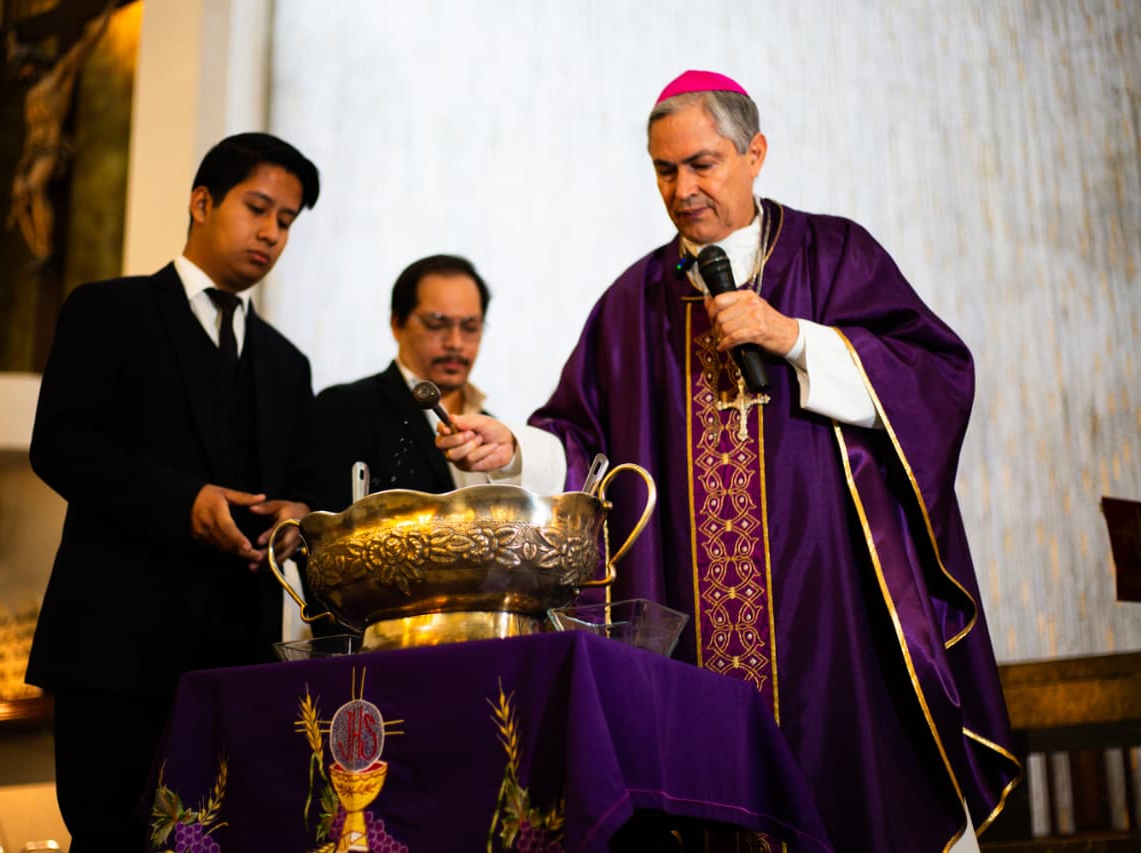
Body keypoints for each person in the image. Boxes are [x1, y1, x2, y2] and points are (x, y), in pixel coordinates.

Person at [436, 71, 1020, 851]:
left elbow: (936, 378)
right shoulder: (631, 303)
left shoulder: (833, 255)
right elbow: (583, 445)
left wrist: (794, 338)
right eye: (663, 170)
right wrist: (516, 450)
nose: (682, 190)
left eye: (701, 164)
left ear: (755, 154)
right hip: (690, 628)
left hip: (832, 615)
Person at [25, 132, 320, 851]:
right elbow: (61, 444)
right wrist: (184, 501)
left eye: (286, 221)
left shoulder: (288, 364)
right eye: (258, 208)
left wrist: (295, 514)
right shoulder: (107, 311)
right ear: (202, 202)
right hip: (115, 647)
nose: (272, 233)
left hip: (237, 658)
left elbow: (294, 486)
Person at [292, 254, 554, 514]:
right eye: (436, 323)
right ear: (397, 323)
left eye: (470, 327)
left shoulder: (495, 434)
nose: (455, 343)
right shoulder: (348, 407)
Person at [6, 0, 117, 262]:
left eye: (25, 67)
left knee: (35, 188)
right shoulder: (31, 97)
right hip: (34, 151)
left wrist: (106, 15)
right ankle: (38, 249)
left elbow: (82, 48)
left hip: (53, 148)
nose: (24, 73)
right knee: (19, 194)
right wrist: (22, 168)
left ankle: (45, 249)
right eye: (20, 71)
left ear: (33, 62)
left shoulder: (57, 80)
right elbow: (30, 134)